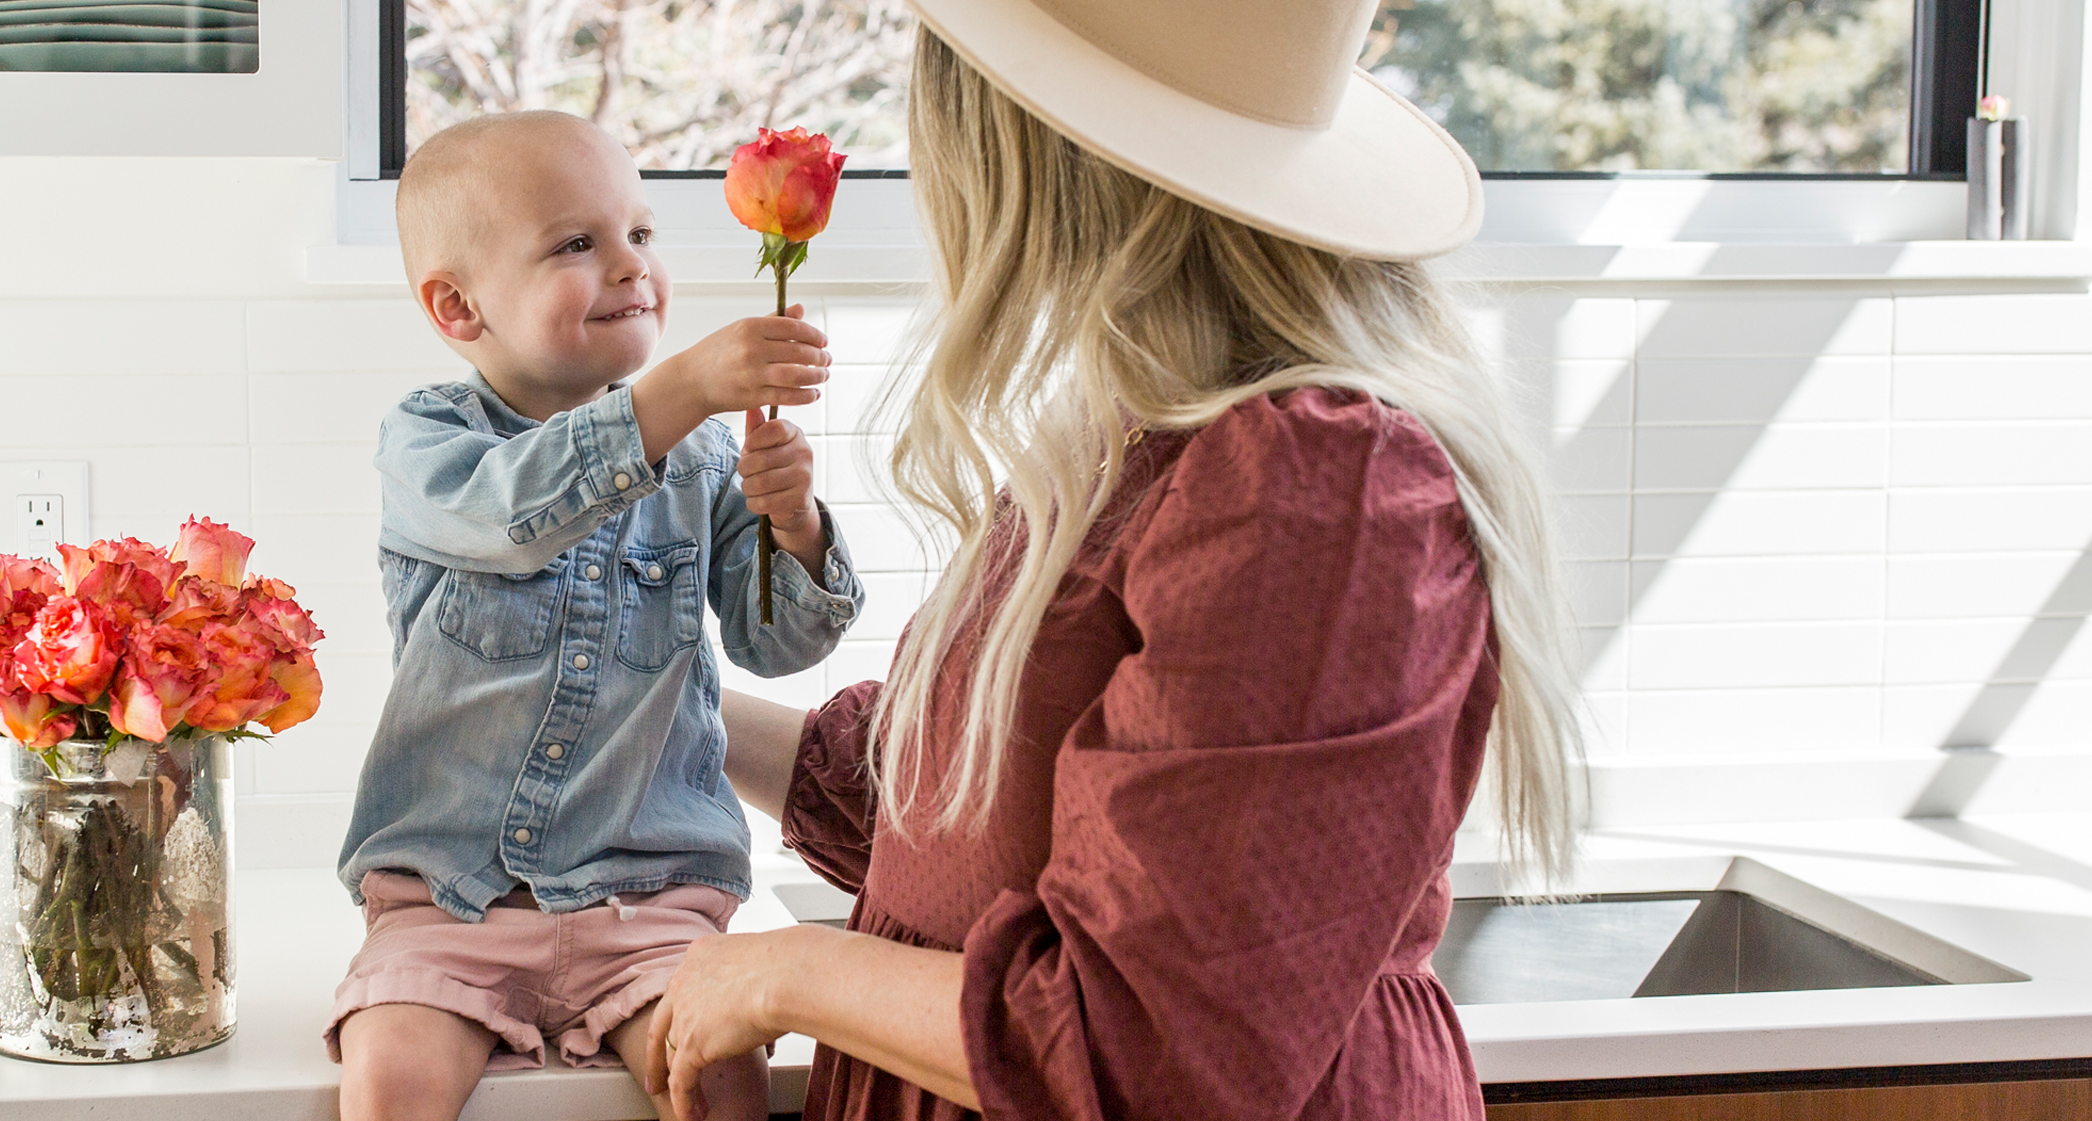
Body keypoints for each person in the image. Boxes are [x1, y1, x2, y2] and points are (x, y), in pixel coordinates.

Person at [632, 1, 1586, 1118]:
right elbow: (947, 813)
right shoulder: (1133, 435)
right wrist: (643, 708)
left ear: (1027, 152)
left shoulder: (1317, 483)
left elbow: (1148, 1048)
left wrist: (778, 970)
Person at [328, 110, 869, 1121]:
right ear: (455, 306)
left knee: (718, 1076)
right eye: (578, 244)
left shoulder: (703, 457)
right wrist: (684, 387)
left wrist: (793, 526)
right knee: (389, 1076)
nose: (629, 267)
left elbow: (776, 642)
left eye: (642, 234)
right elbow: (513, 515)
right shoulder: (427, 446)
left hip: (655, 900)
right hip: (449, 903)